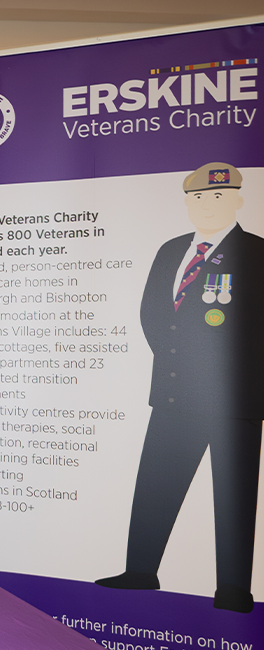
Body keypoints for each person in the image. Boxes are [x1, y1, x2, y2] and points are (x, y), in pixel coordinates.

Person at [96, 162, 263, 614]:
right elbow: (153, 312)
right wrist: (177, 363)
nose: (207, 206)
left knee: (233, 495)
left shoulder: (256, 253)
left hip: (234, 398)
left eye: (217, 197)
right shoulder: (172, 250)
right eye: (198, 198)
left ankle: (233, 589)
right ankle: (140, 571)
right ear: (187, 203)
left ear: (237, 202)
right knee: (155, 484)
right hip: (173, 393)